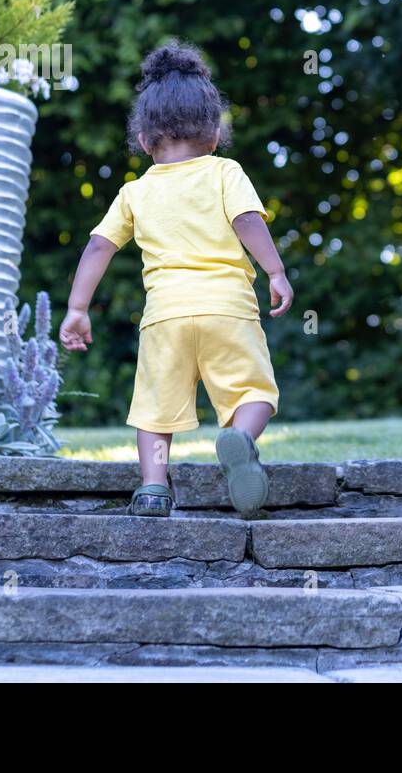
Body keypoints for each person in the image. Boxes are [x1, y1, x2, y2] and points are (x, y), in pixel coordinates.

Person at [59, 41, 293, 517]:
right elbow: (249, 220)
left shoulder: (136, 191)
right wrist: (276, 271)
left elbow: (99, 246)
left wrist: (78, 308)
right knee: (254, 392)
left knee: (154, 408)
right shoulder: (225, 172)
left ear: (144, 140)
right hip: (227, 309)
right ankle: (240, 440)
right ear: (213, 135)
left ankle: (152, 487)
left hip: (164, 316)